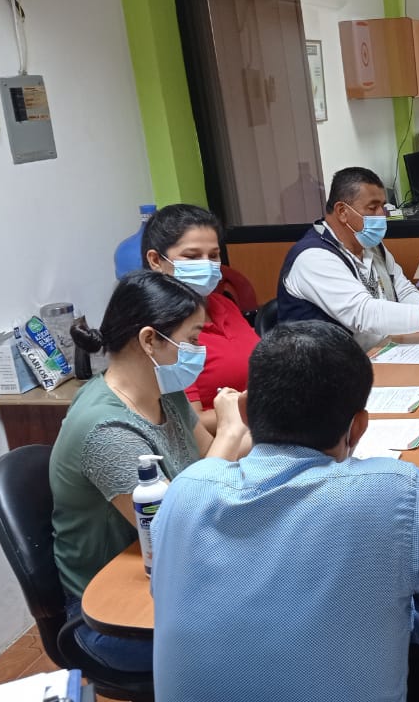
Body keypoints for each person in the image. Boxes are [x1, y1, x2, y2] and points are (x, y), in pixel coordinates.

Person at [151, 320, 419, 701]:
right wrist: (388, 614)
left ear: (244, 412)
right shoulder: (396, 492)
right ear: (358, 428)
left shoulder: (183, 492)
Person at [49, 270, 250, 671]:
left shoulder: (163, 391)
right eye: (192, 339)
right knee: (262, 636)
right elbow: (178, 528)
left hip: (175, 573)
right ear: (149, 340)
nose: (199, 351)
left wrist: (274, 423)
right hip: (113, 614)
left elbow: (212, 457)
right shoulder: (106, 430)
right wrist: (229, 430)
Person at [277, 166, 419, 349]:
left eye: (382, 206)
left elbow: (404, 292)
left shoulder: (371, 246)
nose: (381, 215)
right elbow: (365, 314)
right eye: (372, 207)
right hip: (322, 375)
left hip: (381, 357)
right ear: (342, 211)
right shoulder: (313, 258)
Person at [141, 203, 260, 433]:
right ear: (156, 260)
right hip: (221, 441)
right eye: (192, 256)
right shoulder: (163, 331)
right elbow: (191, 422)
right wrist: (266, 408)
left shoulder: (224, 305)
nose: (206, 264)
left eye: (213, 256)